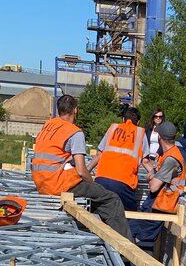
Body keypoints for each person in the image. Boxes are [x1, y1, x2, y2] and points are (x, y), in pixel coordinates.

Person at [31, 95, 131, 238]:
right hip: (58, 184)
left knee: (94, 197)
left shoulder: (48, 125)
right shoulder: (74, 132)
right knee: (111, 199)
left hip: (41, 182)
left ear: (58, 110)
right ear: (75, 110)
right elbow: (82, 171)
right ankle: (124, 247)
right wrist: (93, 184)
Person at [131, 121, 186, 249]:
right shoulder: (168, 154)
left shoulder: (171, 159)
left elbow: (153, 187)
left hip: (161, 203)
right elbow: (153, 175)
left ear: (159, 137)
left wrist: (152, 176)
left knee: (144, 240)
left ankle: (142, 261)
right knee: (134, 230)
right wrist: (153, 175)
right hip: (156, 201)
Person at [87, 106, 150, 211]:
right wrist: (156, 175)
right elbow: (146, 161)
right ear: (138, 122)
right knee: (130, 215)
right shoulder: (140, 133)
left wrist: (85, 171)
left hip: (101, 179)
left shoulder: (113, 128)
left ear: (123, 119)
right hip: (123, 183)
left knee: (101, 212)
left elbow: (99, 154)